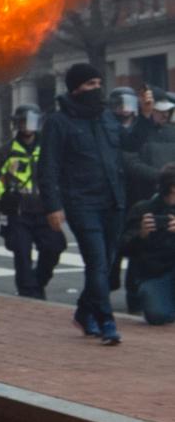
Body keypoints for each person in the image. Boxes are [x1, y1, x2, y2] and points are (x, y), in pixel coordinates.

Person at [40, 62, 156, 344]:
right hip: (82, 202)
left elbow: (129, 142)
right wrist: (53, 206)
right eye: (90, 84)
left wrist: (146, 116)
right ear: (76, 88)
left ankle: (83, 312)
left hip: (114, 201)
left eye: (98, 83)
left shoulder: (106, 116)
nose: (97, 89)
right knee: (96, 262)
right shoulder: (58, 122)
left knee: (105, 263)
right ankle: (106, 322)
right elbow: (48, 167)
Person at [0, 104, 64, 300]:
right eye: (23, 122)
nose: (27, 126)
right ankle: (29, 293)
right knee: (22, 253)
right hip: (19, 211)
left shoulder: (49, 150)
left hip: (45, 209)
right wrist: (3, 195)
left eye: (32, 122)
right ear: (16, 124)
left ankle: (39, 281)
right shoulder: (5, 152)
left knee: (54, 247)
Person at [122, 163, 175, 325]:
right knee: (157, 315)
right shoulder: (143, 209)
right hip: (154, 273)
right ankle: (143, 296)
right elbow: (123, 248)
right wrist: (142, 234)